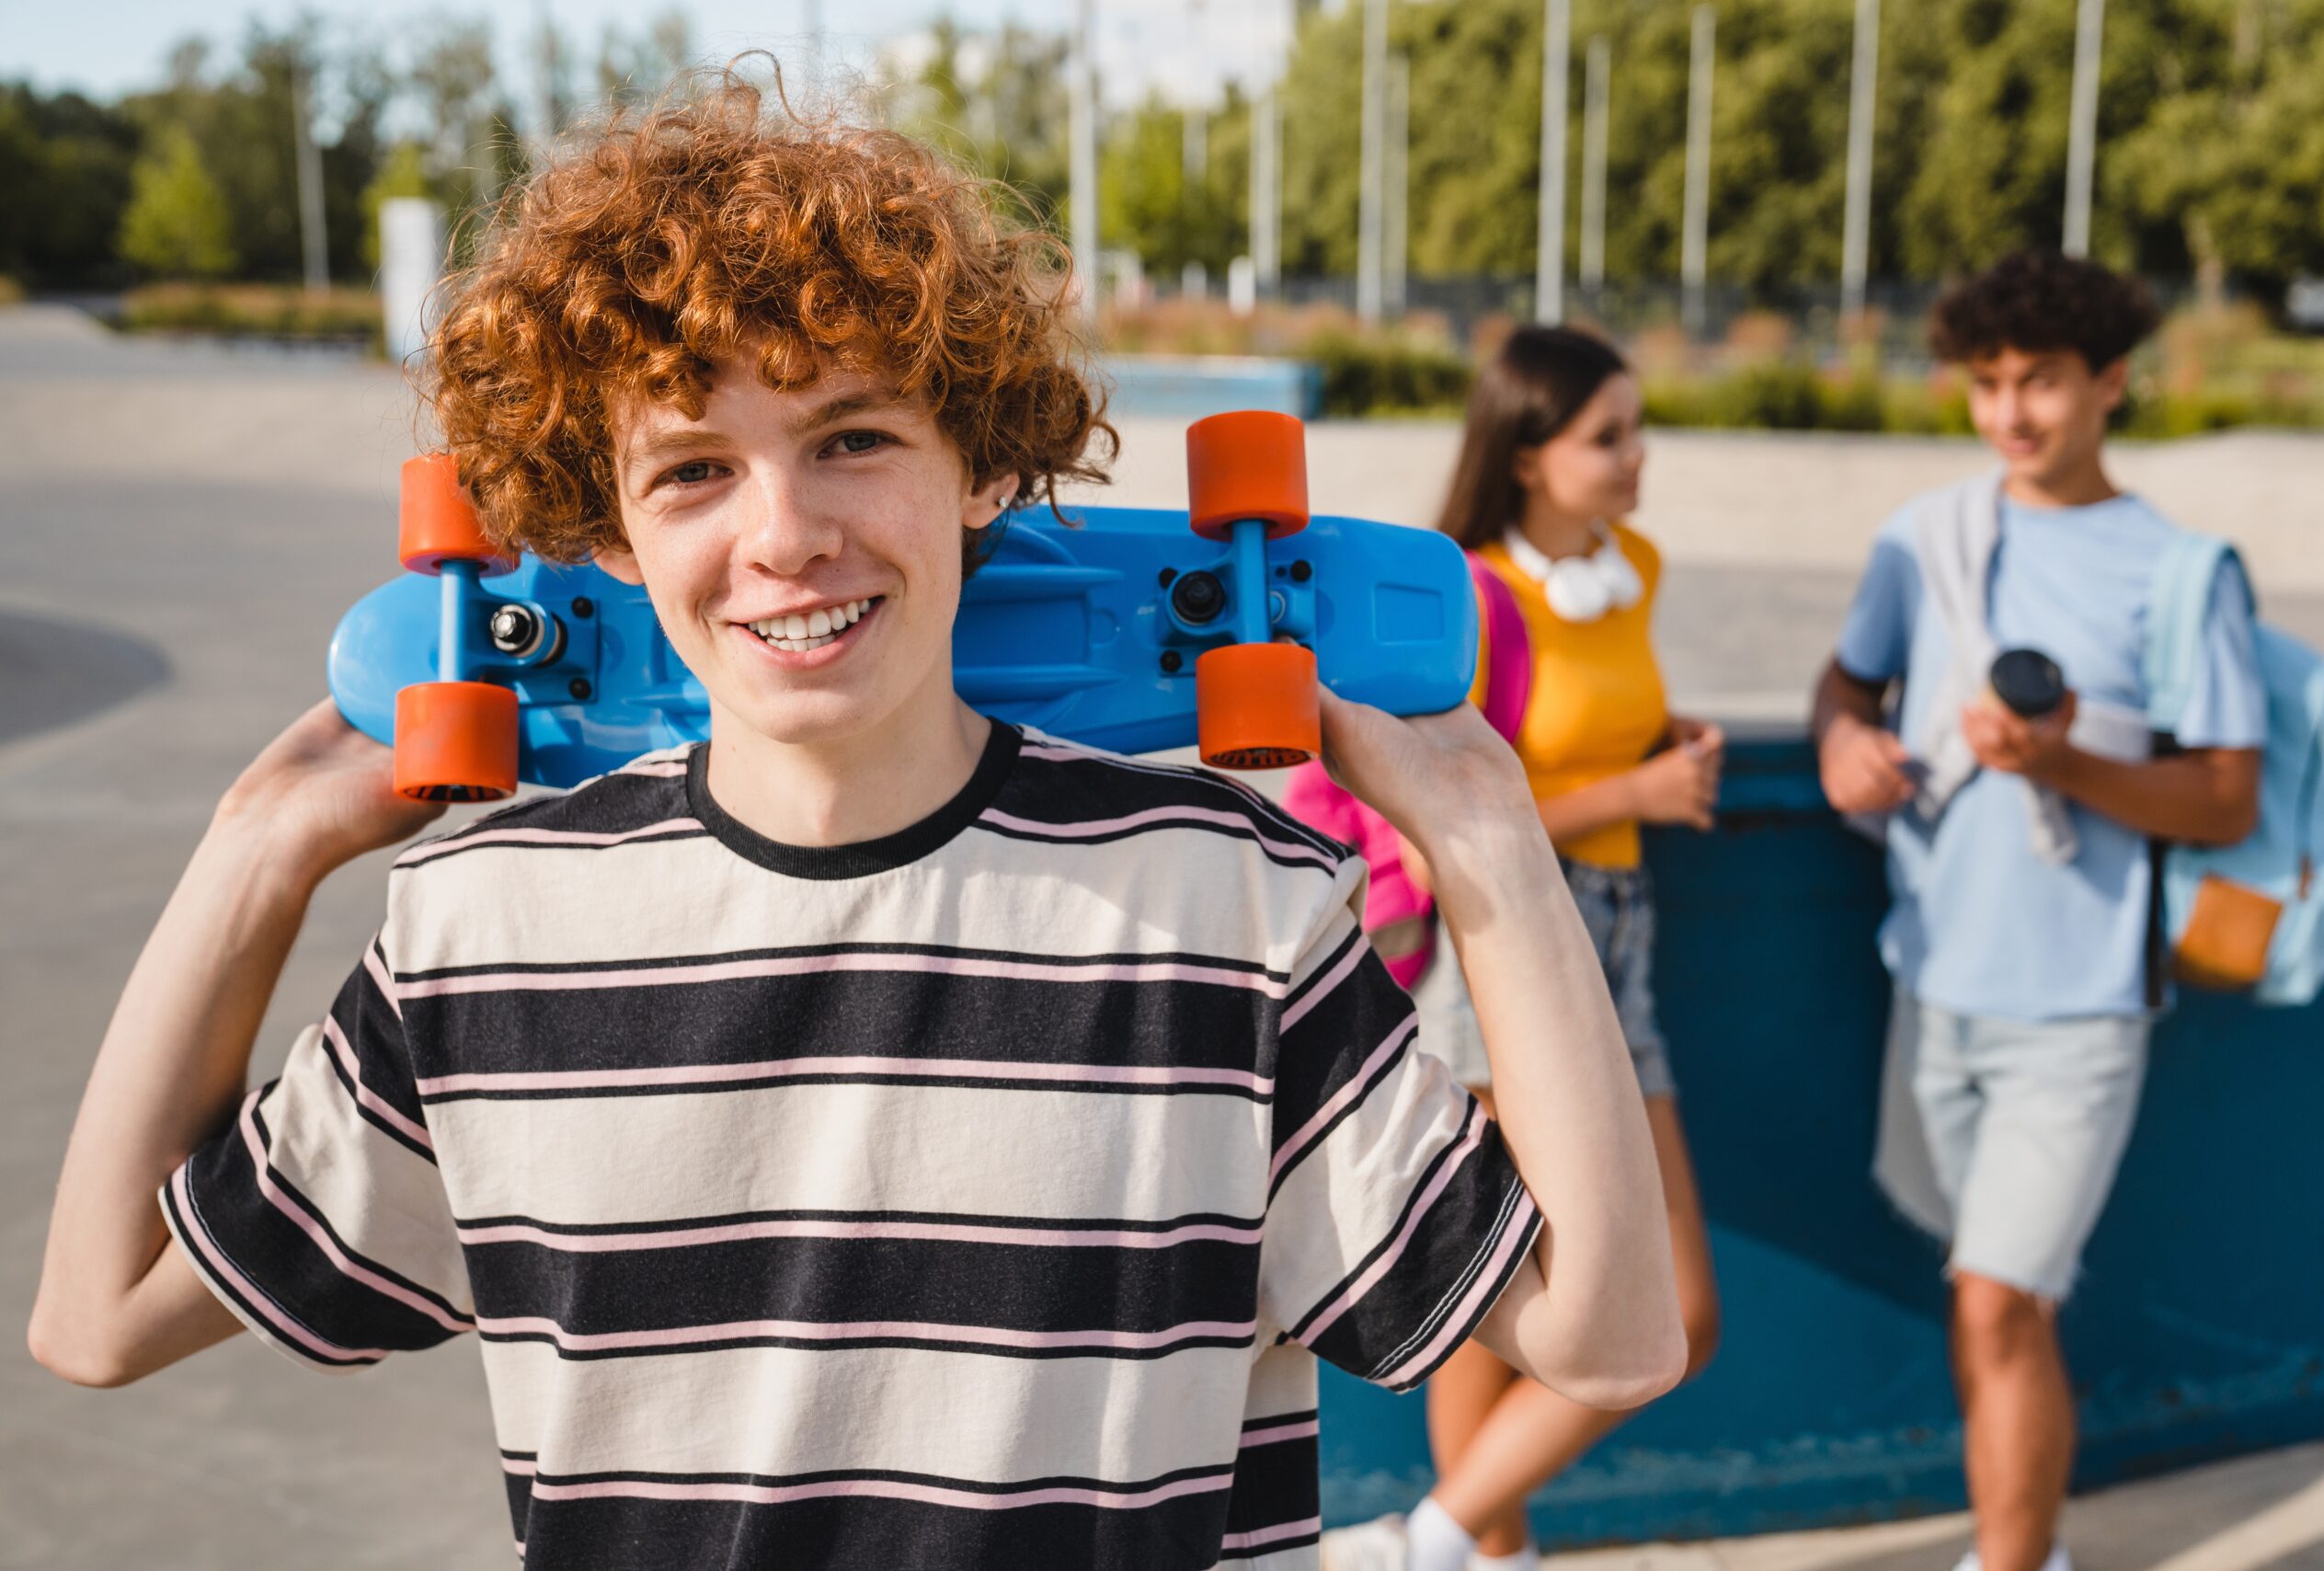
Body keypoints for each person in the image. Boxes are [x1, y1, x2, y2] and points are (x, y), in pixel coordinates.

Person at [28, 78, 1685, 1570]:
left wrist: (1489, 852)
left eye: (853, 437)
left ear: (978, 460)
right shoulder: (488, 925)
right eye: (690, 472)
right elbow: (98, 1316)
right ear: (603, 533)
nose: (786, 534)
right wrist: (256, 845)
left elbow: (1605, 1341)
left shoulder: (1221, 904)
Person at [1811, 250, 2264, 1571]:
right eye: (1989, 383)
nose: (2012, 412)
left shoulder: (2181, 573)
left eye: (2044, 383)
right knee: (1985, 1301)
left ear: (2111, 381)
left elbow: (2228, 800)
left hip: (2081, 1011)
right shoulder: (1920, 539)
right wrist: (1843, 744)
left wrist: (2060, 764)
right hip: (1931, 984)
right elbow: (1844, 689)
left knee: (2001, 1301)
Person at [1320, 326, 1723, 1571]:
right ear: (1530, 454)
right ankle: (1483, 1552)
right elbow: (1449, 820)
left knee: (1680, 1312)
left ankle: (1431, 1545)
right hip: (1503, 950)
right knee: (1510, 1298)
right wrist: (1635, 797)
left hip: (1622, 937)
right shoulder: (1467, 601)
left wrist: (1658, 748)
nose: (1636, 457)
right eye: (1608, 436)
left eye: (1637, 429)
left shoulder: (1636, 570)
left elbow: (1596, 728)